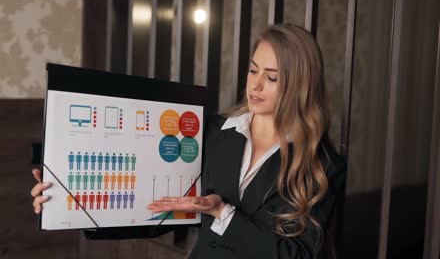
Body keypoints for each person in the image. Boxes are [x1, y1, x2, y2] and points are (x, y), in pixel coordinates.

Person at [31, 24, 346, 259]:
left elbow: (298, 255)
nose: (256, 84)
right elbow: (160, 211)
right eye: (253, 70)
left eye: (272, 77)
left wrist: (224, 213)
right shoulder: (212, 133)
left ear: (300, 84)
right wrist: (66, 203)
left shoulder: (324, 164)